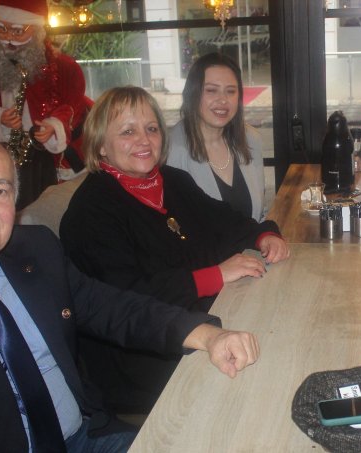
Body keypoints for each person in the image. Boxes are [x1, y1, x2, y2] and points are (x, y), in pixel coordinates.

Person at [0, 132, 260, 452]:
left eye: (0, 190)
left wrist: (207, 334)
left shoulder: (35, 249)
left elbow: (112, 308)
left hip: (85, 438)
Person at [60, 86, 289, 412]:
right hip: (146, 366)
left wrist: (263, 235)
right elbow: (125, 301)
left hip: (208, 321)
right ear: (100, 146)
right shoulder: (90, 213)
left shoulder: (172, 180)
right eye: (128, 131)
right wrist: (214, 276)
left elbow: (224, 221)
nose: (144, 140)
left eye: (152, 128)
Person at [0, 0, 92, 209]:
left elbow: (73, 105)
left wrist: (54, 125)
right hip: (6, 156)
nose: (8, 38)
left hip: (50, 158)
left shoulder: (63, 67)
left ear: (36, 30)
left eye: (18, 31)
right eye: (1, 29)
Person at [167, 53, 268, 221]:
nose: (223, 100)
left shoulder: (251, 139)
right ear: (193, 94)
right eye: (211, 90)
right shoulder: (171, 151)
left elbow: (261, 213)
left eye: (231, 91)